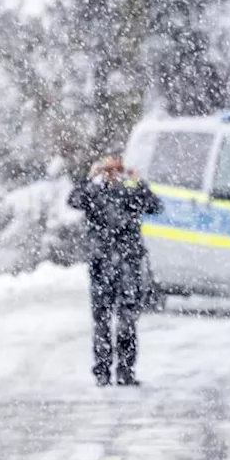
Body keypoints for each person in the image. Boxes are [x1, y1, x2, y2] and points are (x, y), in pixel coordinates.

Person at [66, 153, 163, 387]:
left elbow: (155, 206)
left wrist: (137, 182)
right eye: (107, 170)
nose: (111, 175)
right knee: (102, 319)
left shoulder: (130, 192)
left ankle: (125, 370)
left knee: (126, 319)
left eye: (115, 169)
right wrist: (90, 178)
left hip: (127, 263)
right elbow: (74, 199)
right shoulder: (93, 192)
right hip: (102, 263)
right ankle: (103, 371)